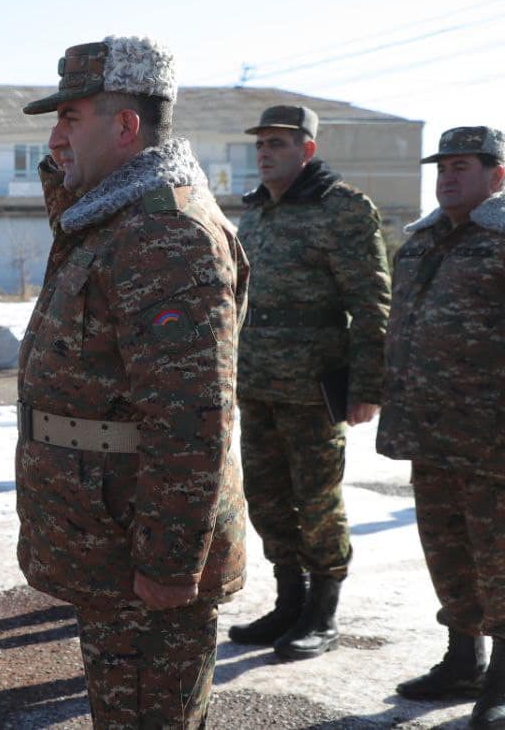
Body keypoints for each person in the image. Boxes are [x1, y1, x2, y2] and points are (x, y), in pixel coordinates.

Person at [16, 36, 248, 729]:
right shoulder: (113, 217)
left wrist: (171, 563)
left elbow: (192, 416)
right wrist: (65, 164)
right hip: (111, 533)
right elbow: (68, 210)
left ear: (126, 126)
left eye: (71, 118)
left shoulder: (167, 232)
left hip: (144, 547)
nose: (55, 137)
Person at [228, 105, 391, 660]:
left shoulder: (342, 208)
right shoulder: (255, 210)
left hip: (313, 387)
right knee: (266, 498)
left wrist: (367, 386)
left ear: (308, 150)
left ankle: (323, 613)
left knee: (317, 501)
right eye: (261, 143)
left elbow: (371, 303)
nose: (265, 152)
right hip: (256, 382)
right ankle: (288, 602)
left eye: (278, 143)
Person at [378, 126, 505, 728]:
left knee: (498, 557)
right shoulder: (421, 243)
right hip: (427, 432)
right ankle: (462, 659)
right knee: (446, 551)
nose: (447, 177)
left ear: (497, 176)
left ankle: (501, 677)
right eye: (442, 167)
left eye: (462, 167)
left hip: (492, 439)